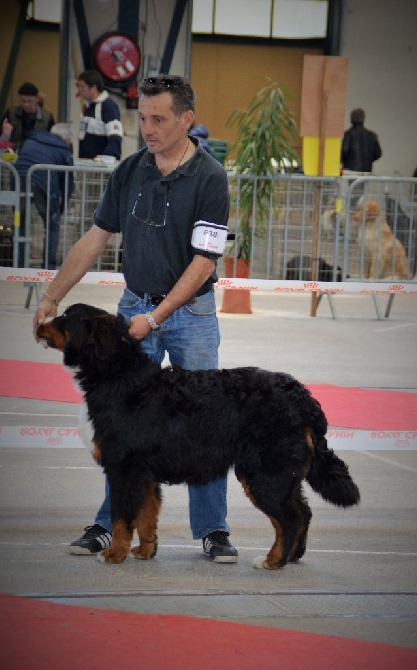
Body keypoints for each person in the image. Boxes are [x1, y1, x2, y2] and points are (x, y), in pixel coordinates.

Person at [33, 74, 238, 564]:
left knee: (203, 424)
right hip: (132, 311)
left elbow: (204, 263)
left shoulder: (211, 178)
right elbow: (95, 238)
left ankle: (213, 530)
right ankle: (109, 525)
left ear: (186, 120)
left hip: (189, 314)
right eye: (142, 118)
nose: (146, 128)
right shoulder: (127, 172)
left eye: (158, 119)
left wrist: (157, 316)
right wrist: (52, 296)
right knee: (120, 431)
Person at [14, 124, 74, 269]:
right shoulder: (64, 149)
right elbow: (67, 183)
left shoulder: (31, 140)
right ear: (67, 140)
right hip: (43, 183)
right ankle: (48, 267)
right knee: (52, 225)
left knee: (18, 222)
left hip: (17, 179)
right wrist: (60, 209)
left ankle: (19, 265)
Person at [76, 70, 123, 160]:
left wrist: (109, 155)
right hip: (86, 161)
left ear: (93, 88)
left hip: (100, 165)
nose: (80, 90)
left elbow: (115, 135)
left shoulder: (108, 107)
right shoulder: (87, 106)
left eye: (83, 87)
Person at [1, 82, 55, 151]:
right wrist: (5, 134)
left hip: (36, 154)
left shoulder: (47, 117)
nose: (26, 104)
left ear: (37, 99)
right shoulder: (10, 113)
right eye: (23, 101)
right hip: (12, 153)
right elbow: (2, 141)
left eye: (29, 101)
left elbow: (52, 141)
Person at [341, 108, 382, 173]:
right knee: (364, 183)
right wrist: (368, 160)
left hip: (350, 170)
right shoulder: (372, 135)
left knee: (352, 183)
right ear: (363, 119)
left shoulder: (349, 134)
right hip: (367, 170)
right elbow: (378, 154)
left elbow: (344, 151)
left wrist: (340, 161)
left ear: (351, 119)